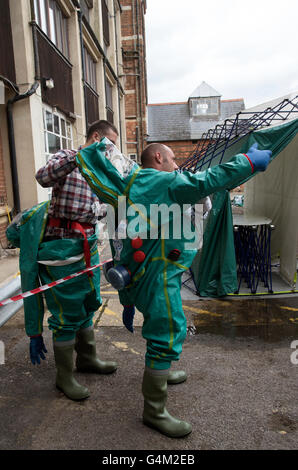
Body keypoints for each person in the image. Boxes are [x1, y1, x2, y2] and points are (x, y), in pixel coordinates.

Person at [75, 138, 272, 437]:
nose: (177, 166)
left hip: (146, 275)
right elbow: (208, 179)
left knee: (168, 327)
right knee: (166, 333)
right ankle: (154, 411)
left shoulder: (134, 186)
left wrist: (128, 298)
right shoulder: (163, 182)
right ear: (158, 157)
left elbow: (122, 243)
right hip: (158, 278)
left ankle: (162, 373)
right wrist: (248, 161)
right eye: (172, 160)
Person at [9, 120, 120, 402]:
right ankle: (64, 376)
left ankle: (87, 359)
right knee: (66, 314)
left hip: (88, 247)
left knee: (87, 304)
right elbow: (43, 176)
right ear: (96, 138)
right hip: (61, 251)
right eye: (110, 146)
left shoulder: (101, 171)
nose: (112, 152)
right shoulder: (66, 156)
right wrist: (79, 157)